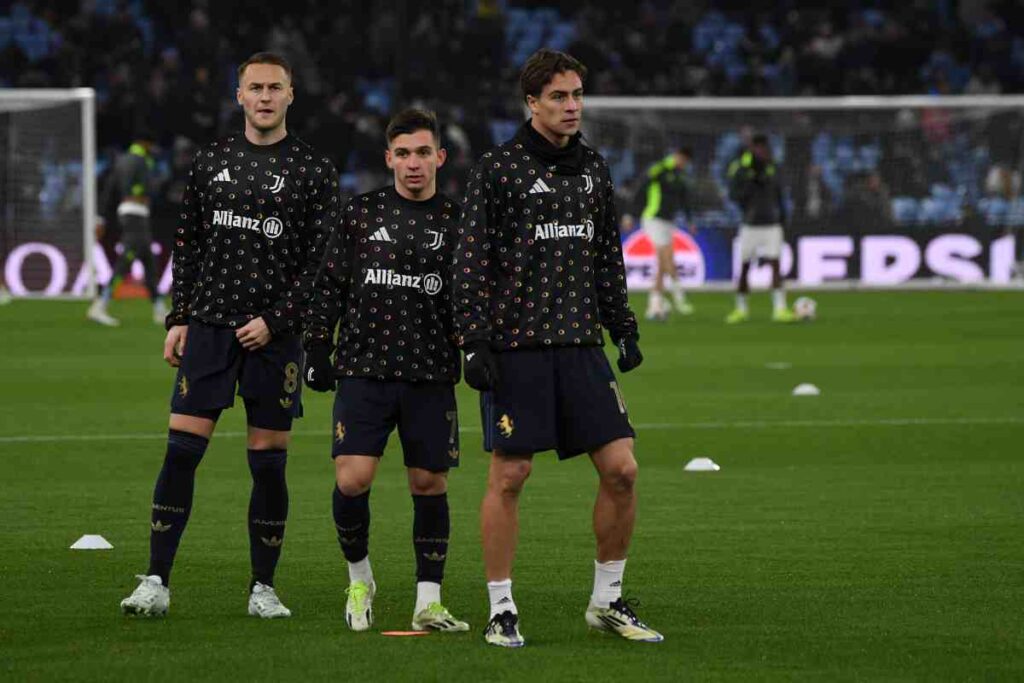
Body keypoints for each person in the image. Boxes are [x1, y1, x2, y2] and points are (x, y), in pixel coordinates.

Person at [454, 48, 663, 648]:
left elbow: (605, 257)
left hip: (579, 345)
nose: (572, 107)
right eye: (558, 98)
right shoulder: (498, 169)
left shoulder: (595, 168)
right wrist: (474, 341)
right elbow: (471, 261)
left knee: (622, 470)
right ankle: (500, 607)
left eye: (576, 95)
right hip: (516, 347)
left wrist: (623, 326)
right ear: (531, 103)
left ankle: (608, 600)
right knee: (512, 474)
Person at [119, 52, 339, 619]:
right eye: (255, 87)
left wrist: (277, 321)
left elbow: (321, 264)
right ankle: (156, 581)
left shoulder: (314, 170)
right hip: (212, 329)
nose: (265, 97)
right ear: (238, 95)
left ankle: (263, 588)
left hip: (274, 339)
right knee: (180, 452)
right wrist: (179, 317)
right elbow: (187, 244)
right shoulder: (210, 160)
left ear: (292, 95)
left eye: (275, 88)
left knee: (268, 462)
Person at [303, 108, 469, 634]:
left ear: (439, 157)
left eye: (423, 153)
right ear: (388, 158)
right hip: (363, 368)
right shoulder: (359, 214)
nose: (413, 164)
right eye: (403, 154)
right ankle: (360, 579)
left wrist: (480, 350)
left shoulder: (458, 221)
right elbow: (328, 284)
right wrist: (316, 348)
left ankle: (429, 599)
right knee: (352, 480)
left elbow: (472, 298)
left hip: (430, 371)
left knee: (428, 482)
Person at [86, 138, 168, 326]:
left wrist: (100, 217)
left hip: (126, 212)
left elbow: (109, 189)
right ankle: (100, 305)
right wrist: (156, 182)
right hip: (137, 215)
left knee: (148, 261)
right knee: (126, 261)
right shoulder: (143, 161)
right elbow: (146, 188)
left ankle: (158, 308)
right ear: (145, 144)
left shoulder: (121, 161)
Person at [725, 133, 795, 323]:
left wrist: (783, 218)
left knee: (775, 265)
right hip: (750, 225)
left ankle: (779, 309)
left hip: (772, 224)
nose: (762, 151)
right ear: (752, 148)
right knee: (745, 266)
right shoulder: (741, 168)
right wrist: (751, 185)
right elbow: (733, 194)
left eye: (764, 148)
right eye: (758, 148)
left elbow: (780, 194)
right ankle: (741, 309)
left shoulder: (773, 167)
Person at [640, 148, 695, 320]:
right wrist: (629, 213)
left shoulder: (681, 175)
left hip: (668, 222)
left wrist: (689, 220)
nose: (682, 163)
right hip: (653, 219)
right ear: (676, 156)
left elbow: (684, 199)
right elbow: (642, 189)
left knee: (665, 262)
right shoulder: (660, 170)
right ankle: (679, 296)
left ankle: (655, 303)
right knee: (665, 259)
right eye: (681, 159)